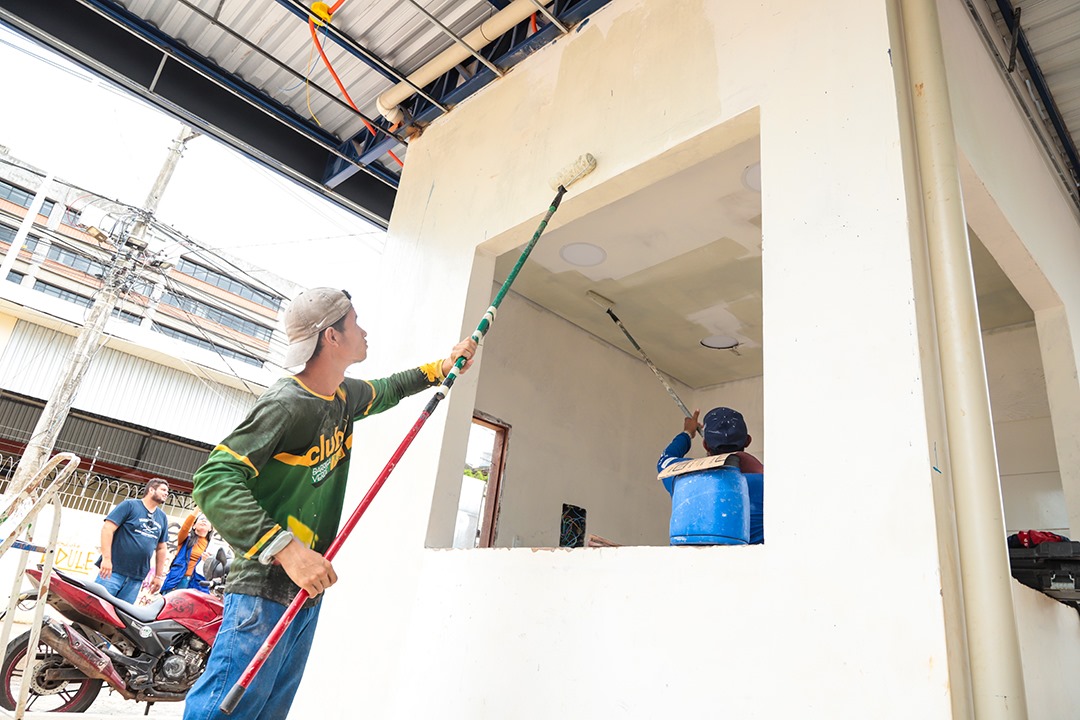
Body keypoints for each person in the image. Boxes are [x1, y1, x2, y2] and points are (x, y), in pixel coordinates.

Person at [183, 287, 477, 720]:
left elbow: (389, 388)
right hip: (262, 591)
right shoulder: (287, 404)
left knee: (266, 714)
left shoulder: (341, 398)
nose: (364, 331)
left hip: (303, 593)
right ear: (331, 338)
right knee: (225, 713)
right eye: (355, 322)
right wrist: (287, 549)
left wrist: (442, 368)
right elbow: (213, 479)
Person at [658, 407, 765, 543]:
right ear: (748, 441)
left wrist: (687, 433)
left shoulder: (684, 476)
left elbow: (665, 458)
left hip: (692, 563)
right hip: (753, 563)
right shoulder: (770, 484)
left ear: (705, 445)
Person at [95, 478, 171, 603]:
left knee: (120, 617)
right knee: (97, 607)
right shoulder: (129, 505)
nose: (166, 493)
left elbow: (162, 548)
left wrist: (158, 576)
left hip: (136, 578)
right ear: (151, 490)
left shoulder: (162, 517)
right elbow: (107, 529)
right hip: (112, 571)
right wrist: (106, 559)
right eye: (163, 490)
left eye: (167, 491)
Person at [162, 512, 213, 594]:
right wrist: (197, 509)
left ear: (210, 528)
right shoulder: (185, 540)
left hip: (197, 584)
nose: (204, 520)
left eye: (207, 520)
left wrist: (208, 561)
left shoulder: (211, 546)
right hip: (179, 580)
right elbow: (185, 528)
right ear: (193, 526)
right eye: (201, 519)